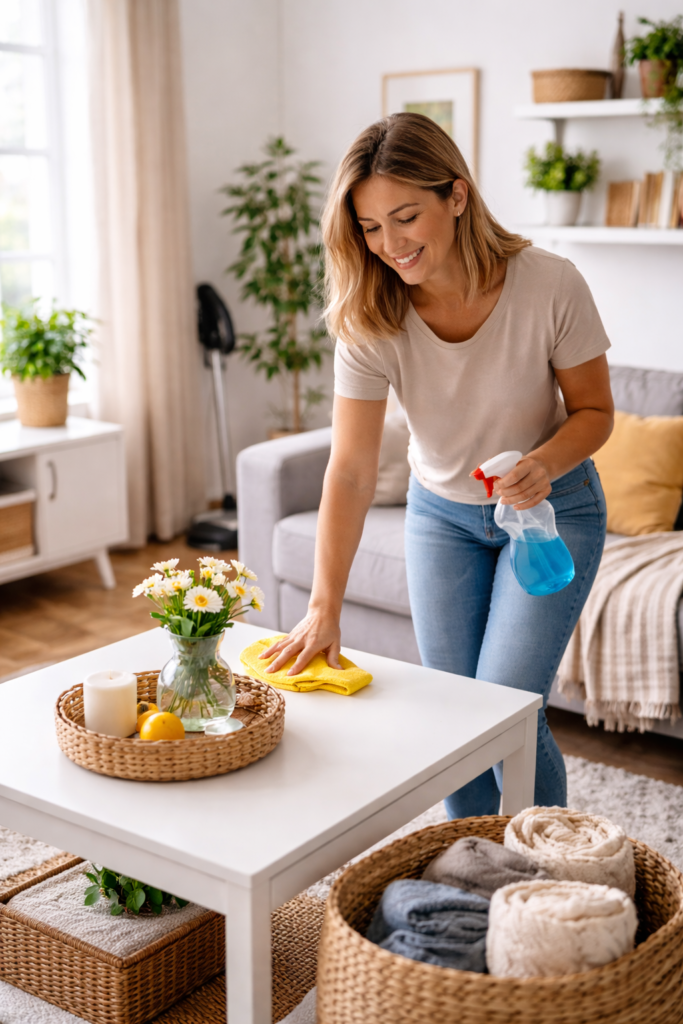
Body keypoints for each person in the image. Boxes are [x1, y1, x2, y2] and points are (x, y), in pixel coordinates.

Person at [261, 112, 613, 817]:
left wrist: (542, 464)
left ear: (455, 195)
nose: (390, 245)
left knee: (504, 709)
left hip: (551, 510)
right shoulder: (369, 315)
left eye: (405, 217)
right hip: (441, 518)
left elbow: (595, 412)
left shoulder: (549, 283)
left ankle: (548, 867)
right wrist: (323, 606)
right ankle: (471, 864)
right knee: (451, 721)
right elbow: (351, 470)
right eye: (369, 227)